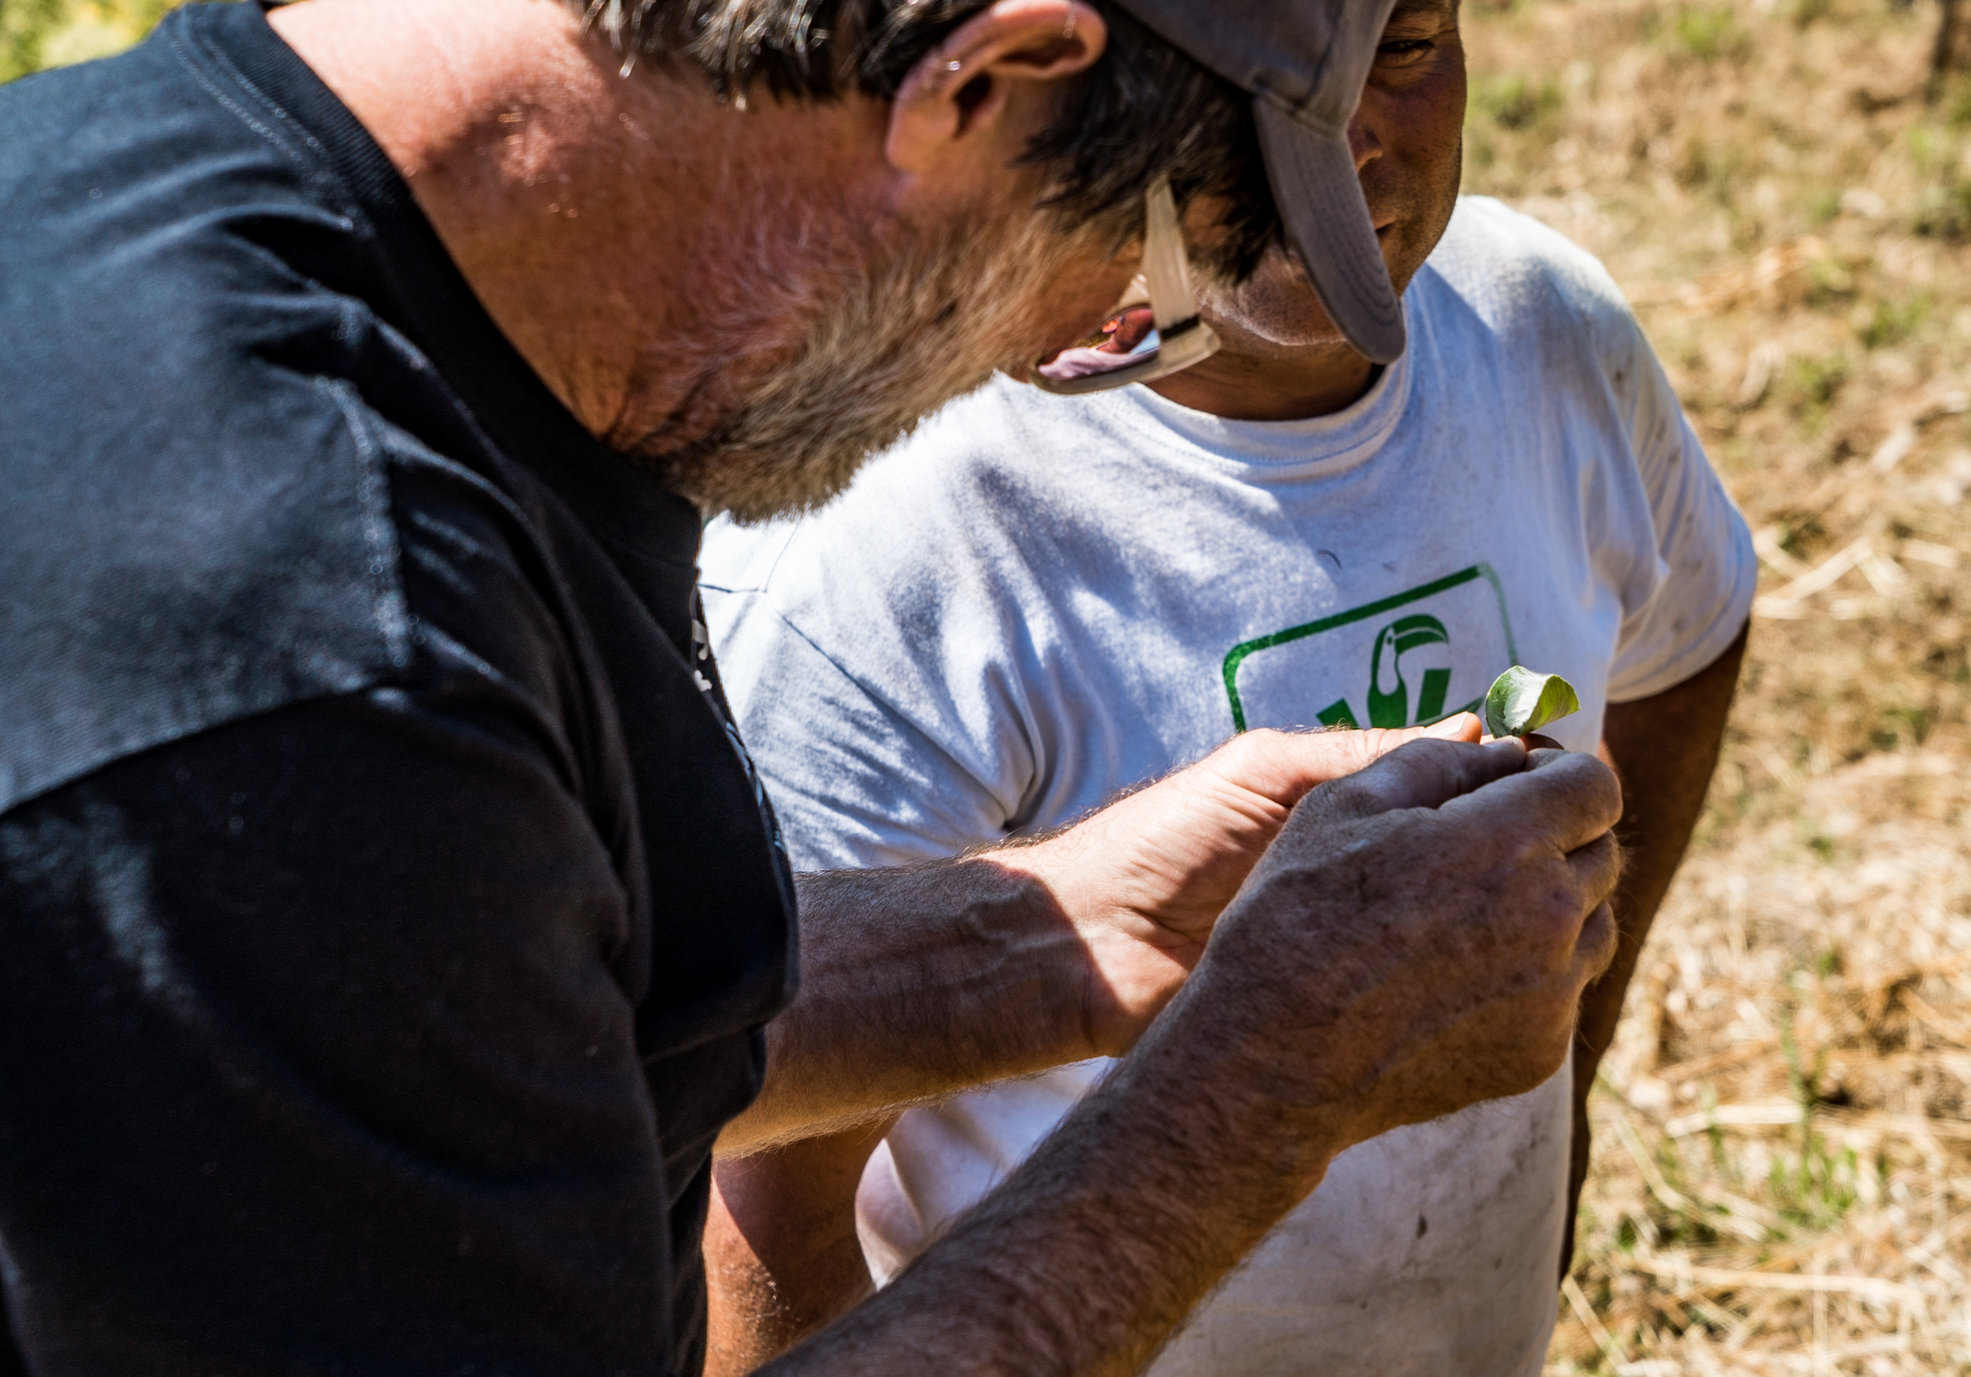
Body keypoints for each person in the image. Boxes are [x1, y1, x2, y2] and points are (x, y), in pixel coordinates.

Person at [0, 1, 1628, 1373]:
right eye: (1142, 294)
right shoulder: (312, 663)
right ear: (981, 83)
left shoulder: (254, 209)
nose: (1062, 355)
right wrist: (1260, 1088)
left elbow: (503, 1000)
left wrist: (1062, 933)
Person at [697, 0, 1755, 1371]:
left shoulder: (1540, 329)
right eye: (1273, 89)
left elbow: (1691, 631)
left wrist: (1576, 1038)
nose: (1357, 131)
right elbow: (758, 1205)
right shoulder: (898, 535)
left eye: (1411, 43)